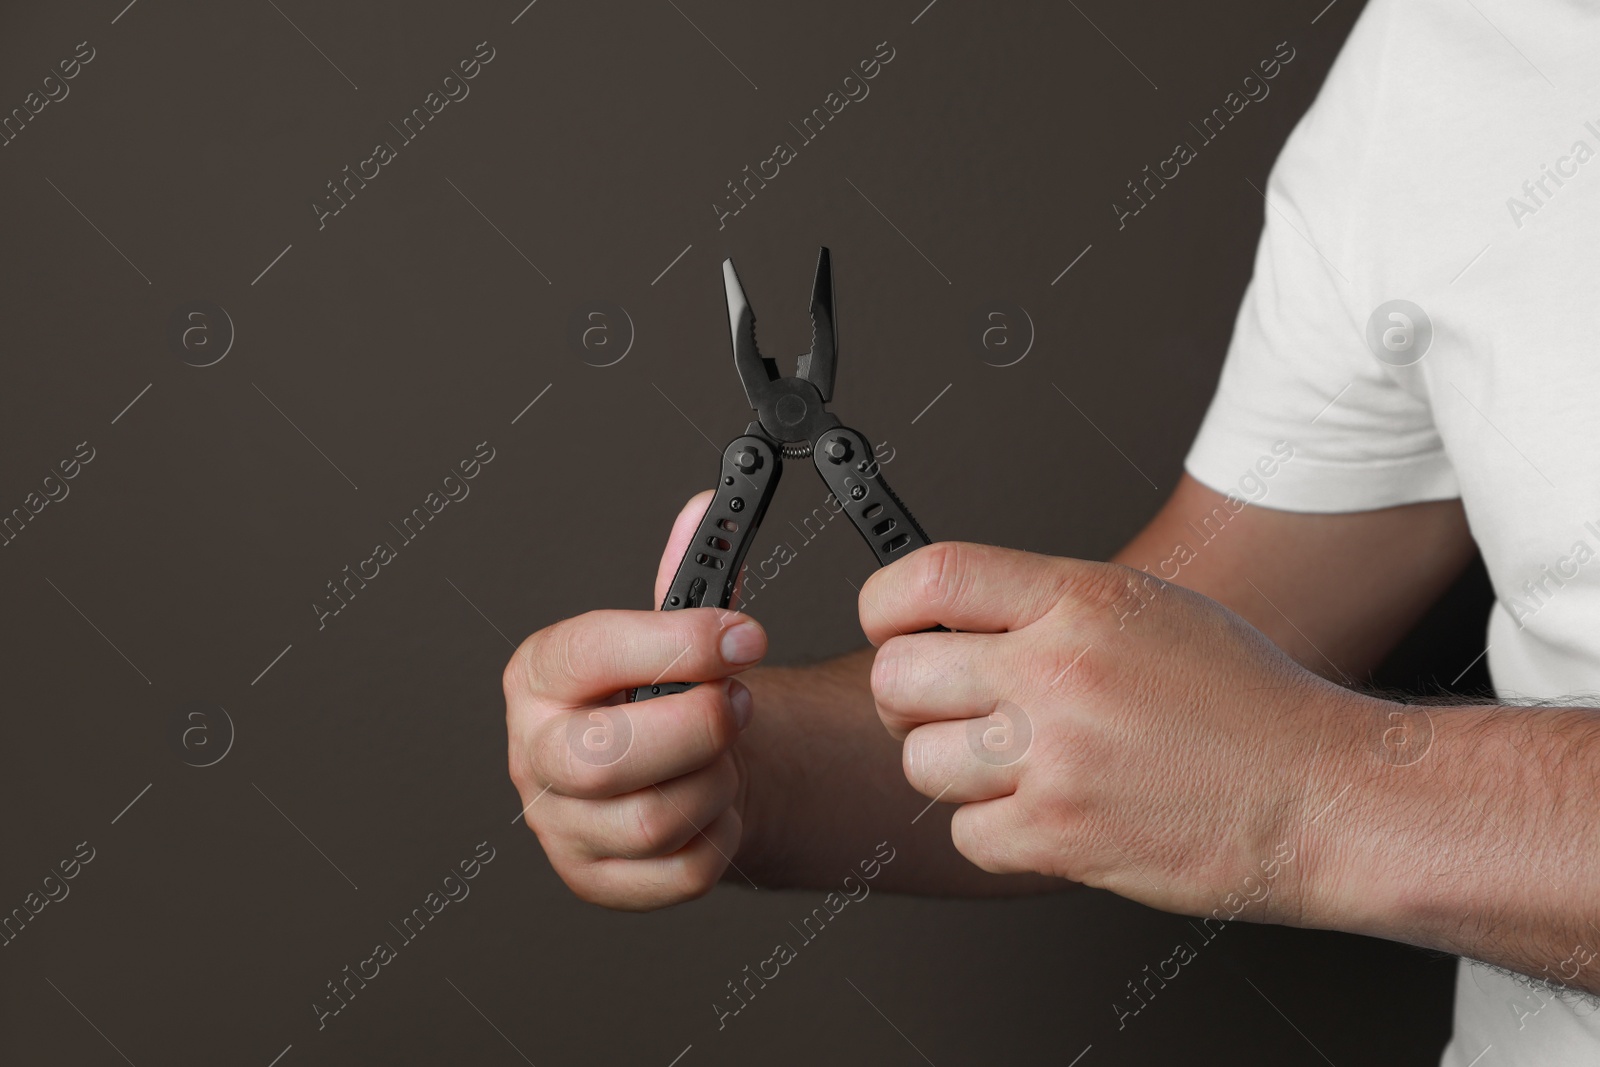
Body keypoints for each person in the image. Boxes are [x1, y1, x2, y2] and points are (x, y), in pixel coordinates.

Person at [503, 1, 1600, 1061]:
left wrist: (1309, 790)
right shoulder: (1443, 48)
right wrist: (737, 768)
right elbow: (1162, 689)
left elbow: (1251, 757)